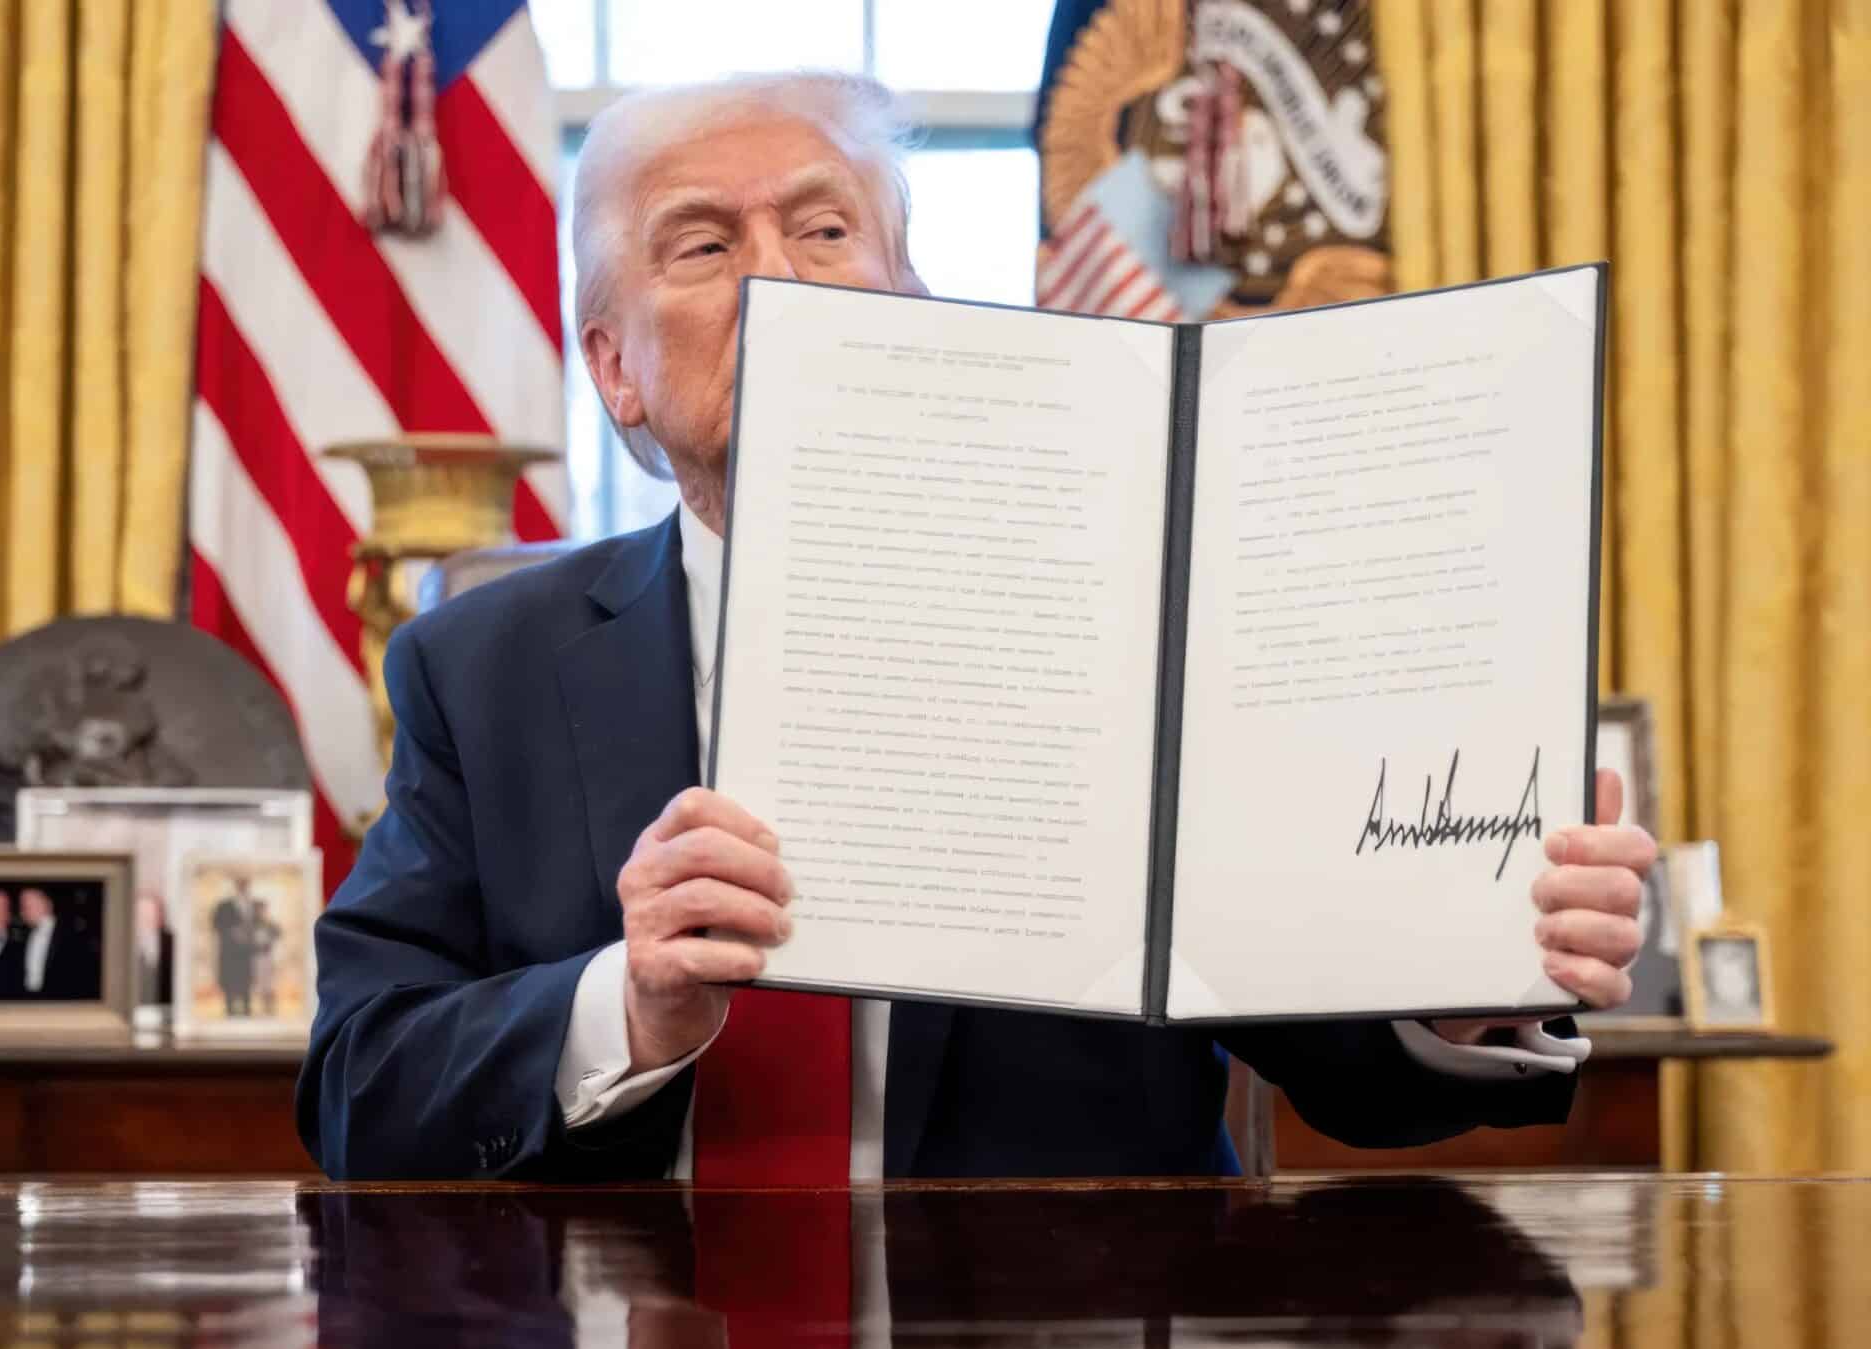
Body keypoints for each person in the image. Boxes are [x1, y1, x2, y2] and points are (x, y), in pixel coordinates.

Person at [299, 73, 1653, 1183]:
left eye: (827, 233)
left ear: (910, 305)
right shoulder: (481, 667)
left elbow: (1330, 1052)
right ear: (613, 368)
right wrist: (626, 1005)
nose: (779, 278)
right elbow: (360, 1083)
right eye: (706, 245)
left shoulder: (1140, 614)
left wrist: (1453, 975)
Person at [16, 887, 101, 1002]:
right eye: (22, 905)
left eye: (29, 904)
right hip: (27, 1001)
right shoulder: (21, 937)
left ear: (48, 904)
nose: (24, 910)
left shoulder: (72, 935)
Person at [212, 876, 257, 1017]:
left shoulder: (253, 906)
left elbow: (259, 926)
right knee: (230, 982)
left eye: (246, 886)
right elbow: (216, 924)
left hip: (246, 953)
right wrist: (232, 932)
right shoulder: (224, 905)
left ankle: (247, 1012)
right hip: (230, 953)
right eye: (241, 886)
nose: (243, 889)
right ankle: (229, 1011)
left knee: (246, 983)